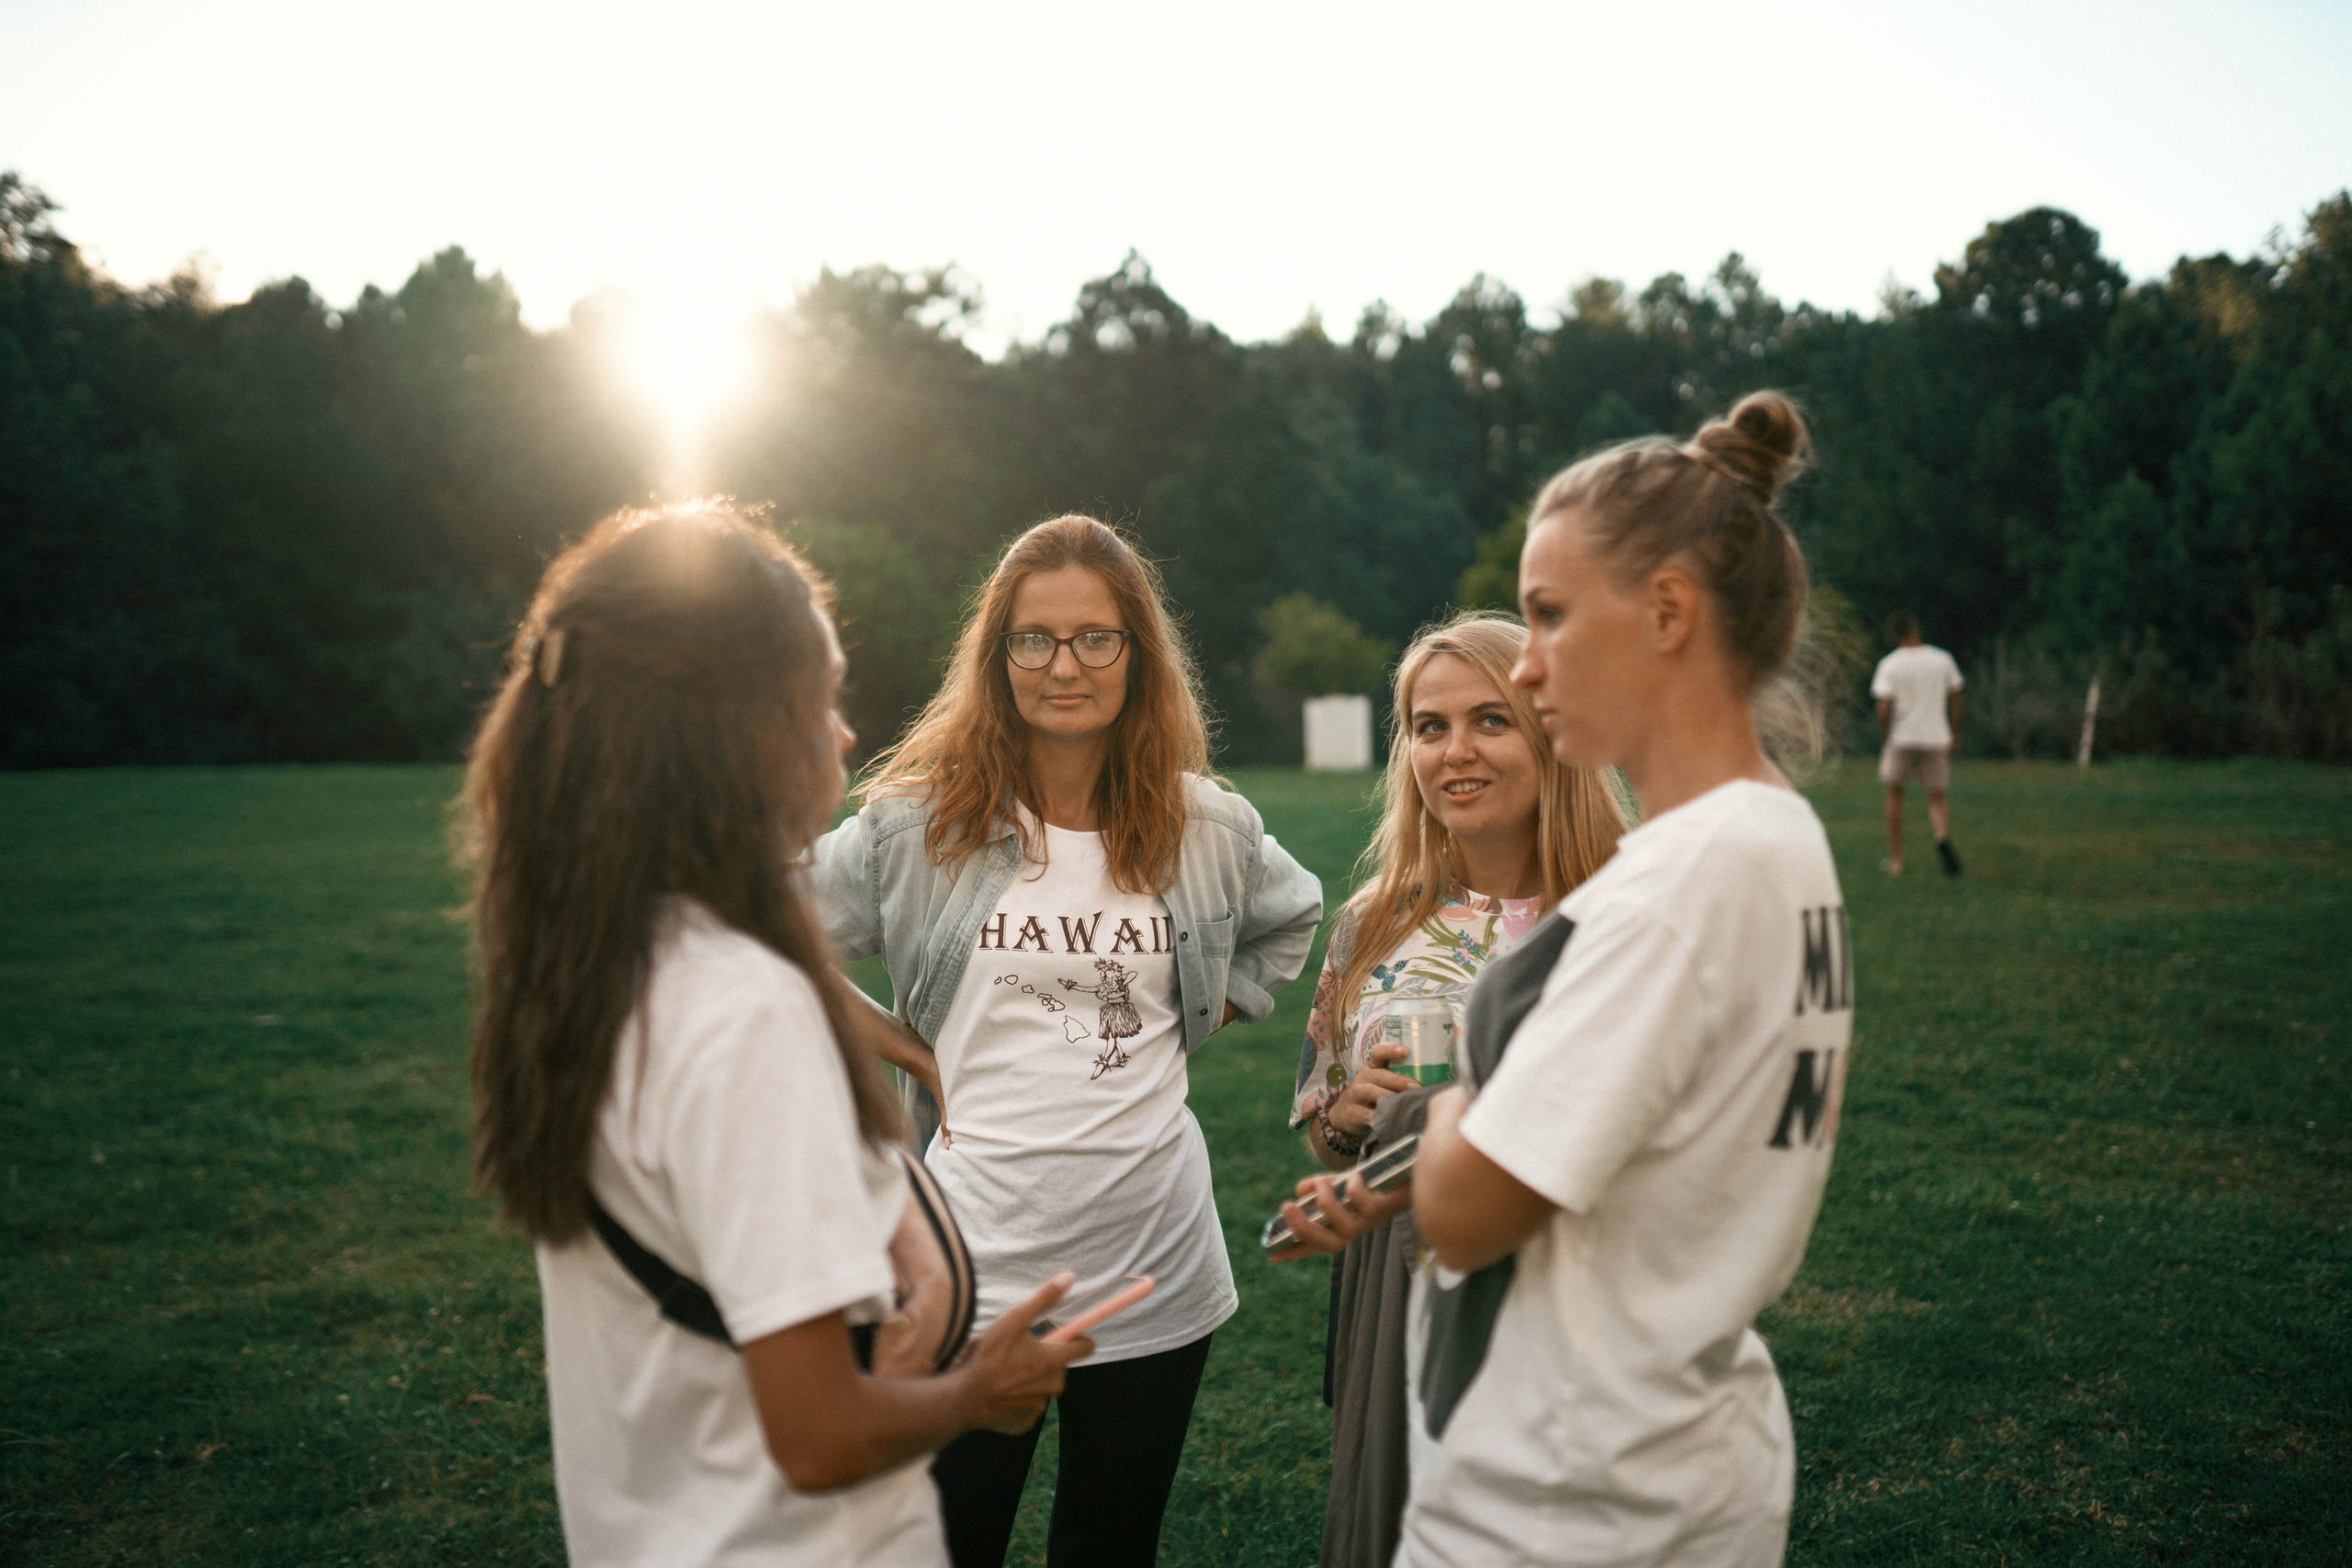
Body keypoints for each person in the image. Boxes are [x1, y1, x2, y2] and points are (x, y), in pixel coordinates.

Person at [1278, 391, 1853, 1567]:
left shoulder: (1653, 894)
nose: (1530, 666)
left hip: (1567, 1493)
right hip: (1680, 1448)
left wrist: (1437, 1114)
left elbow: (1470, 1207)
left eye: (1547, 617)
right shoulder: (1777, 837)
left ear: (1668, 612)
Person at [460, 503, 1092, 1568]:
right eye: (824, 696)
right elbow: (818, 1435)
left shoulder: (600, 964)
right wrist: (978, 1393)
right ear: (739, 727)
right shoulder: (743, 1009)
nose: (846, 733)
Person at [808, 514, 1324, 1568]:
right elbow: (757, 922)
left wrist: (1197, 1018)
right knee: (949, 1544)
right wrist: (909, 1052)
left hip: (1153, 1265)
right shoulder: (919, 824)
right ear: (997, 659)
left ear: (1137, 654)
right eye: (1033, 639)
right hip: (967, 1264)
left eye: (1096, 638)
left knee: (1107, 1547)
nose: (1064, 666)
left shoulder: (1204, 827)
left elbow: (1294, 915)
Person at [1281, 611, 1625, 1568]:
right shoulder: (1371, 925)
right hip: (1399, 1305)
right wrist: (1347, 1119)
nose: (1455, 752)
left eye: (1491, 720)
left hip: (1574, 1304)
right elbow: (1325, 1127)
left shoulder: (1621, 910)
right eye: (1429, 728)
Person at [1871, 610, 1964, 875]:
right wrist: (1955, 732)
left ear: (1893, 635)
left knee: (1895, 795)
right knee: (1936, 796)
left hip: (1902, 737)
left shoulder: (1889, 665)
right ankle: (1942, 835)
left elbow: (1883, 708)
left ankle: (1897, 860)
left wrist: (1887, 733)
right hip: (1936, 736)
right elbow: (1956, 699)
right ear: (1917, 629)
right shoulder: (1942, 659)